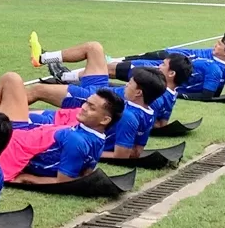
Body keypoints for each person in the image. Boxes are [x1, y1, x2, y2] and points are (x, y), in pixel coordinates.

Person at [26, 35, 167, 159]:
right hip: (100, 89)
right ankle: (42, 58)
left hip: (93, 99)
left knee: (38, 91)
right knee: (94, 48)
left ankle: (8, 112)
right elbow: (137, 150)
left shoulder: (128, 115)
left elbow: (123, 154)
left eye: (130, 84)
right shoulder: (148, 111)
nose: (126, 85)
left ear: (138, 93)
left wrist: (90, 152)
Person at [110, 33, 225, 98]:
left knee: (112, 69)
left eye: (219, 44)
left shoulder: (214, 68)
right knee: (113, 69)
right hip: (160, 68)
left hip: (156, 73)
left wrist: (178, 94)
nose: (215, 45)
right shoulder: (219, 67)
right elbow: (215, 92)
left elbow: (208, 95)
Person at [106, 54, 193, 129]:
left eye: (163, 64)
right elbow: (162, 124)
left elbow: (144, 122)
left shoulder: (157, 95)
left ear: (171, 73)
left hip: (104, 95)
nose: (159, 66)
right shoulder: (172, 95)